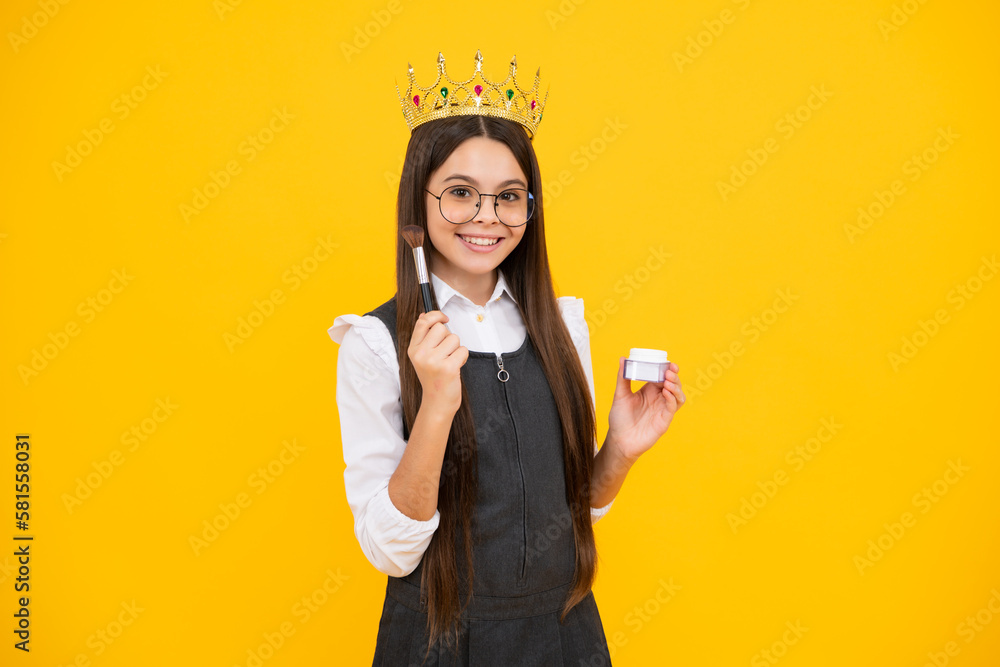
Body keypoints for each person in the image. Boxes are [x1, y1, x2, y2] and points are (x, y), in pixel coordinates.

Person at [327, 50, 685, 666]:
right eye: (461, 193)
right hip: (439, 643)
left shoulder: (562, 325)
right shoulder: (374, 343)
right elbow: (391, 552)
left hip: (563, 636)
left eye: (509, 197)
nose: (487, 218)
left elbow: (574, 511)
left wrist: (620, 450)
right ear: (420, 200)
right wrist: (437, 406)